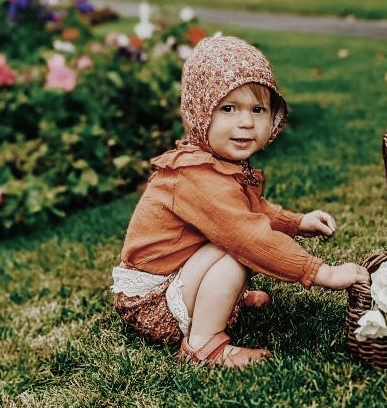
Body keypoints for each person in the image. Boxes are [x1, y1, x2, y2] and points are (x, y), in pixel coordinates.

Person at [110, 34, 370, 369]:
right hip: (153, 304)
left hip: (176, 279)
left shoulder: (216, 164)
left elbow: (253, 210)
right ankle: (203, 345)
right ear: (201, 114)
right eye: (229, 108)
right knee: (236, 248)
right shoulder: (195, 176)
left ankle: (220, 298)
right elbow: (250, 236)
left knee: (232, 239)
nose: (246, 122)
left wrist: (296, 222)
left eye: (257, 109)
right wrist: (322, 273)